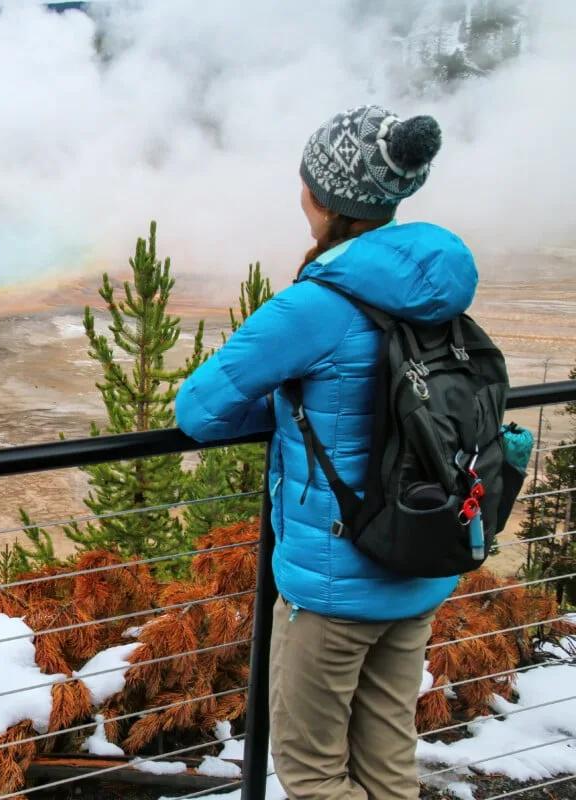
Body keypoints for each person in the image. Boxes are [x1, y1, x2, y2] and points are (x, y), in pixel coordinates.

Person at [176, 105, 465, 800]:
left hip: (335, 582)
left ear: (323, 194)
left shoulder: (318, 306)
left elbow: (199, 409)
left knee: (310, 773)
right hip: (420, 558)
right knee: (388, 762)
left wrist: (276, 401)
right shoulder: (435, 284)